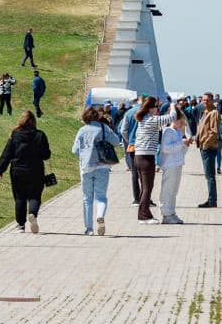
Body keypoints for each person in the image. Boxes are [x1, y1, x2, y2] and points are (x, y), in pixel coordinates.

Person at [0, 110, 50, 234]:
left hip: (17, 171)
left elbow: (7, 154)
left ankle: (21, 225)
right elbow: (46, 155)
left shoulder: (15, 135)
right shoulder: (40, 135)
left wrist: (0, 169)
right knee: (35, 196)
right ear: (33, 122)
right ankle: (32, 214)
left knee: (20, 198)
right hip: (36, 171)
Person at [72, 107, 121, 236]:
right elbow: (116, 141)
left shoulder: (82, 130)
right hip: (103, 166)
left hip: (86, 167)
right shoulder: (104, 128)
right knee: (101, 196)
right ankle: (100, 216)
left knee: (87, 198)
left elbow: (75, 150)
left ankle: (89, 229)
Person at [133, 96, 178, 224]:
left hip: (138, 156)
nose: (158, 109)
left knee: (144, 187)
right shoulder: (152, 120)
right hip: (146, 157)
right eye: (156, 107)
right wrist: (173, 106)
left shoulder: (143, 119)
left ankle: (144, 213)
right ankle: (143, 216)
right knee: (148, 187)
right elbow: (172, 117)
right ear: (152, 108)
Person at [158, 113, 190, 225]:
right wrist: (181, 143)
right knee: (168, 190)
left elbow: (180, 151)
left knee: (174, 190)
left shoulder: (178, 132)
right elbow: (166, 148)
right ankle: (166, 213)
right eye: (180, 122)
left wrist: (185, 145)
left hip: (177, 164)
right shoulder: (168, 131)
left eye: (183, 122)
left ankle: (171, 212)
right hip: (170, 164)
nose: (182, 124)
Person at [196, 93, 220, 208]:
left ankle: (212, 201)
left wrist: (205, 143)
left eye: (207, 100)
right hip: (203, 147)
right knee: (208, 175)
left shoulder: (213, 113)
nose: (205, 102)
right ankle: (211, 199)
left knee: (210, 175)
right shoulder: (205, 112)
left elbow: (214, 132)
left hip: (208, 148)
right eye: (204, 100)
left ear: (211, 101)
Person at [117, 100, 141, 204]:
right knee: (145, 174)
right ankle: (146, 198)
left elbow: (122, 130)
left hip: (132, 146)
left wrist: (129, 141)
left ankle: (136, 198)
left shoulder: (129, 113)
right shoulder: (146, 113)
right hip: (145, 146)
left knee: (134, 173)